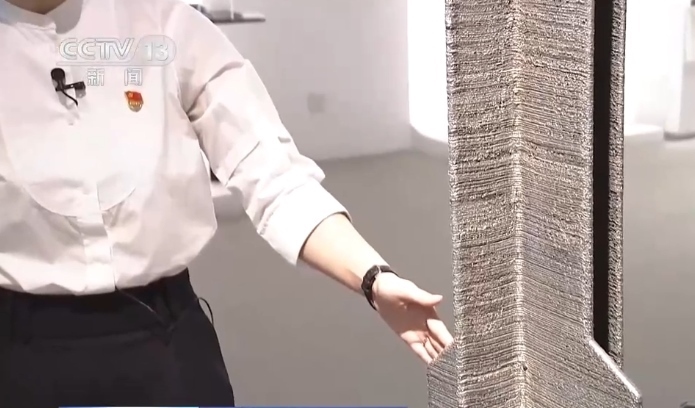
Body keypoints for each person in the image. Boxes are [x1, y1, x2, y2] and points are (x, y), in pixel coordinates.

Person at [0, 0, 453, 405]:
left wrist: (374, 278)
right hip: (20, 353)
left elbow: (273, 173)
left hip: (164, 342)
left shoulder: (163, 24)